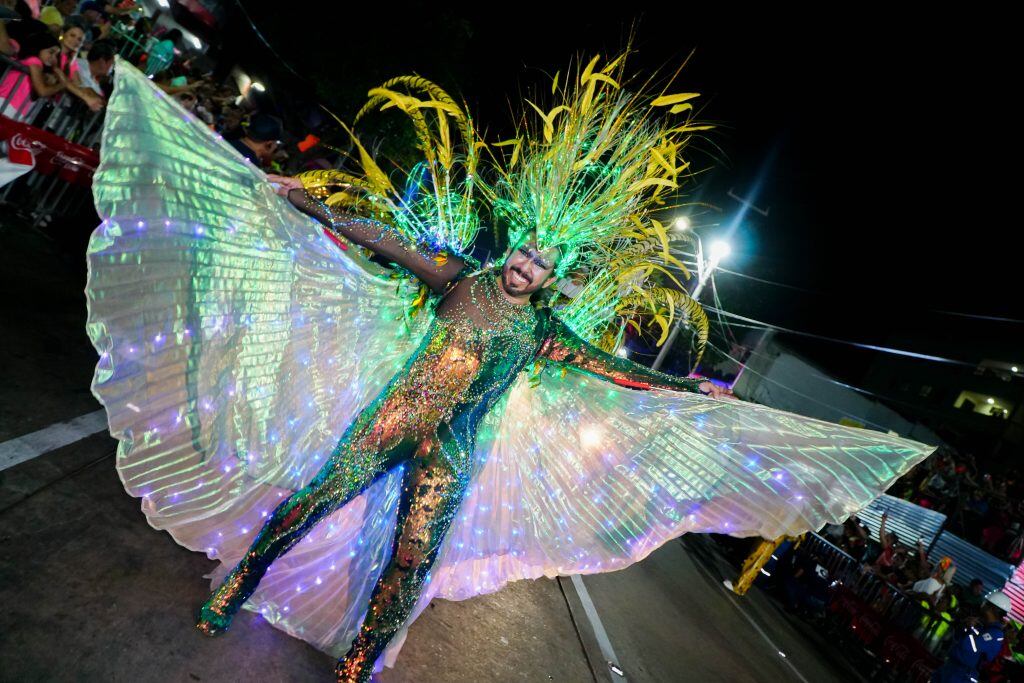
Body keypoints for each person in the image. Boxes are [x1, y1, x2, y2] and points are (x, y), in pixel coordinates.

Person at [85, 56, 937, 682]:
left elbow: (622, 373)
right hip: (390, 416)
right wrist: (309, 201)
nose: (526, 269)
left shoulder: (546, 332)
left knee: (409, 562)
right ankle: (236, 590)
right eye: (524, 253)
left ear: (554, 272)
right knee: (309, 500)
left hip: (452, 452)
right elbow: (381, 239)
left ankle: (356, 665)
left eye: (540, 265)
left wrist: (692, 387)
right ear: (516, 246)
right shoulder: (458, 279)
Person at [932, 591, 1012, 682]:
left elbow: (971, 647)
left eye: (986, 603)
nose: (982, 605)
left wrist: (971, 628)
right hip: (950, 667)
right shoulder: (982, 625)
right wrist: (965, 627)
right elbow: (959, 638)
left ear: (992, 608)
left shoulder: (995, 634)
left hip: (962, 675)